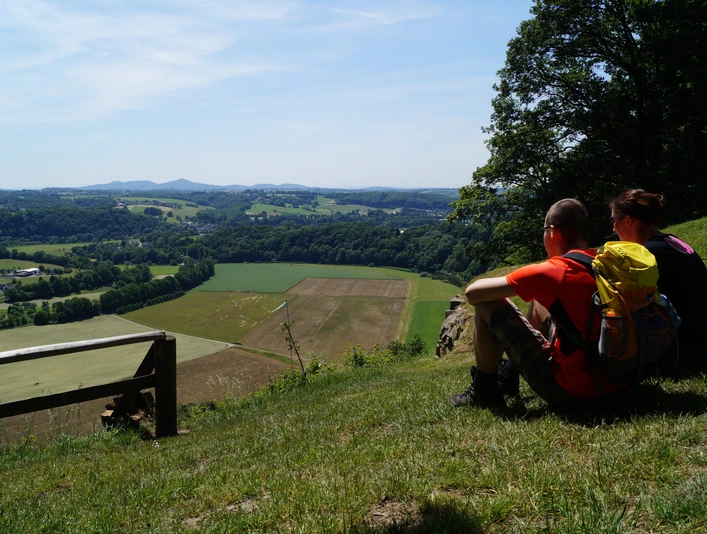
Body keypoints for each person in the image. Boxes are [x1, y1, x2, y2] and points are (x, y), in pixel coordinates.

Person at [450, 198, 628, 409]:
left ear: (552, 232)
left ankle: (484, 390)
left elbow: (472, 294)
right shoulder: (604, 262)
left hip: (573, 390)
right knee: (539, 300)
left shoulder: (554, 271)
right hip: (619, 382)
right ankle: (507, 375)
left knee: (487, 303)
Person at [609, 189, 707, 375]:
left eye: (614, 220)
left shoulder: (646, 258)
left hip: (686, 351)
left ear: (628, 220)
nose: (613, 228)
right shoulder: (674, 242)